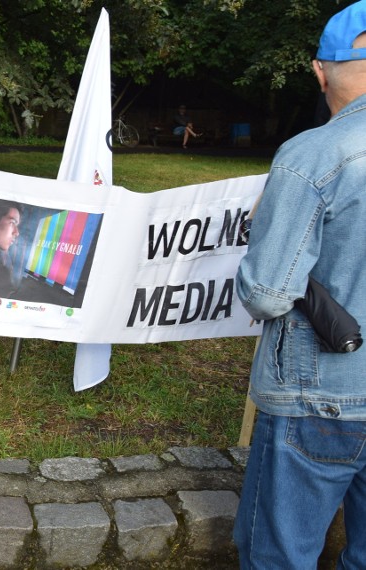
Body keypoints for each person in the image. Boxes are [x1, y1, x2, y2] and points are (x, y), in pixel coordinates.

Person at [233, 2, 366, 567]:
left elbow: (267, 292)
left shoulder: (314, 155)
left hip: (321, 394)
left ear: (320, 70)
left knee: (279, 556)